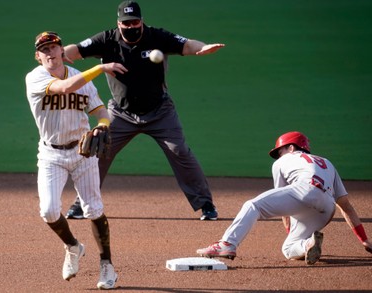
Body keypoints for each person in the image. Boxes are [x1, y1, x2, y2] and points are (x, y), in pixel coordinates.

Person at [63, 0, 225, 221]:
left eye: (135, 22)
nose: (131, 27)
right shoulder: (106, 40)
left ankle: (205, 205)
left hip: (160, 112)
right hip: (121, 113)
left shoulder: (157, 37)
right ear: (118, 24)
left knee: (180, 151)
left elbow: (187, 45)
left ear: (142, 21)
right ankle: (82, 204)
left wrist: (203, 48)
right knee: (97, 152)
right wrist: (58, 55)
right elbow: (76, 50)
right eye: (126, 23)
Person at [25, 31, 127, 289]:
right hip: (51, 154)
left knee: (93, 208)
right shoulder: (36, 78)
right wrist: (100, 67)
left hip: (83, 152)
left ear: (62, 52)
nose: (50, 53)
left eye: (54, 47)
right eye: (44, 49)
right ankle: (73, 245)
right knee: (48, 211)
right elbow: (65, 88)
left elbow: (99, 110)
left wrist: (103, 125)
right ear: (38, 57)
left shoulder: (83, 80)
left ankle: (107, 266)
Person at [196, 131, 372, 264]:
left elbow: (284, 210)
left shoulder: (282, 162)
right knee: (288, 248)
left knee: (253, 205)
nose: (279, 155)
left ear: (291, 148)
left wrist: (289, 230)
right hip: (326, 207)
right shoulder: (327, 163)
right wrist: (364, 240)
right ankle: (307, 244)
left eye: (280, 151)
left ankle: (227, 243)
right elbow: (346, 206)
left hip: (303, 191)